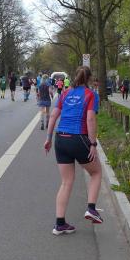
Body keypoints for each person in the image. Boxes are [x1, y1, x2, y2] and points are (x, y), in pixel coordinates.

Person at [43, 66, 103, 235]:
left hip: (61, 138)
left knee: (66, 182)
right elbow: (90, 119)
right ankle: (91, 208)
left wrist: (48, 138)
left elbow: (53, 116)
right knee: (96, 172)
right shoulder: (91, 95)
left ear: (75, 77)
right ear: (89, 78)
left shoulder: (65, 93)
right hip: (78, 138)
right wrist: (93, 144)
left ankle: (59, 224)